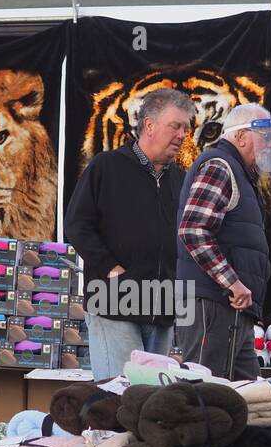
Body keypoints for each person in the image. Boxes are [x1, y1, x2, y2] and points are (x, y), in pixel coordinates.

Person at [65, 88, 194, 379]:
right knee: (120, 397)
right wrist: (111, 268)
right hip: (114, 302)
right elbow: (76, 224)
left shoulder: (181, 179)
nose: (182, 134)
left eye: (186, 128)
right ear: (149, 125)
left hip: (162, 307)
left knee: (150, 402)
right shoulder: (107, 166)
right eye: (176, 126)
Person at [174, 103, 271, 381]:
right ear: (241, 136)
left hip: (232, 308)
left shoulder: (241, 174)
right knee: (204, 392)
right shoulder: (220, 166)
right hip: (212, 305)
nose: (269, 146)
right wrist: (233, 283)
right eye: (264, 137)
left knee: (246, 396)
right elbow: (193, 230)